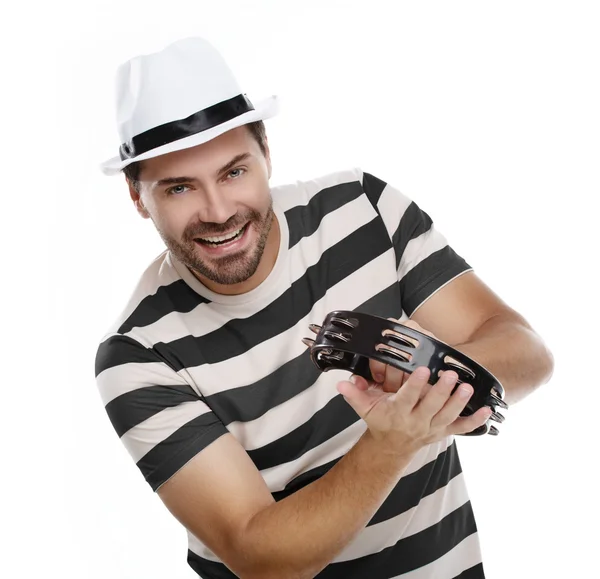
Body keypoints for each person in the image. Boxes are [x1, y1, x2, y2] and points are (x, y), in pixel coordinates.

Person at [94, 36, 554, 579]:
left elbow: (526, 352)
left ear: (266, 153)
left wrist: (426, 373)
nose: (218, 211)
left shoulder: (364, 209)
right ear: (136, 197)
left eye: (234, 172)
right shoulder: (138, 356)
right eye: (178, 189)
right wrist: (391, 439)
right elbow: (262, 558)